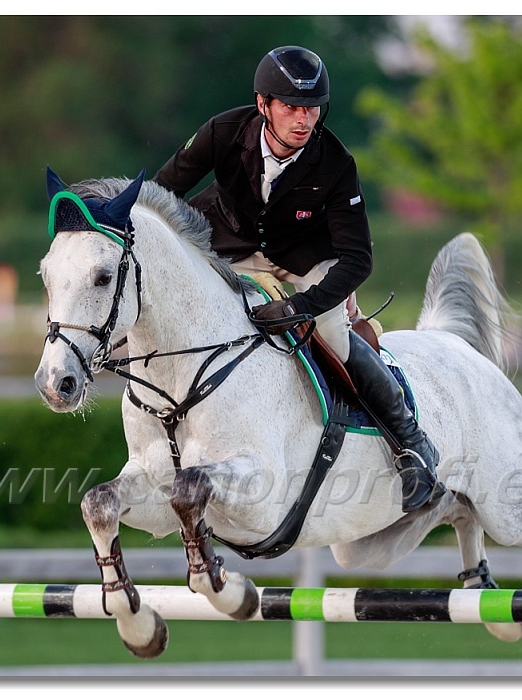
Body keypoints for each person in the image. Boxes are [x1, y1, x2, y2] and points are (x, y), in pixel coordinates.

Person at [153, 45, 445, 513]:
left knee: (334, 333)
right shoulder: (224, 131)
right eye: (290, 106)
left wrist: (301, 306)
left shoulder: (335, 162)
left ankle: (412, 448)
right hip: (232, 247)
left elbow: (357, 260)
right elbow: (161, 192)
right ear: (263, 104)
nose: (303, 119)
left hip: (306, 258)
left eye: (311, 108)